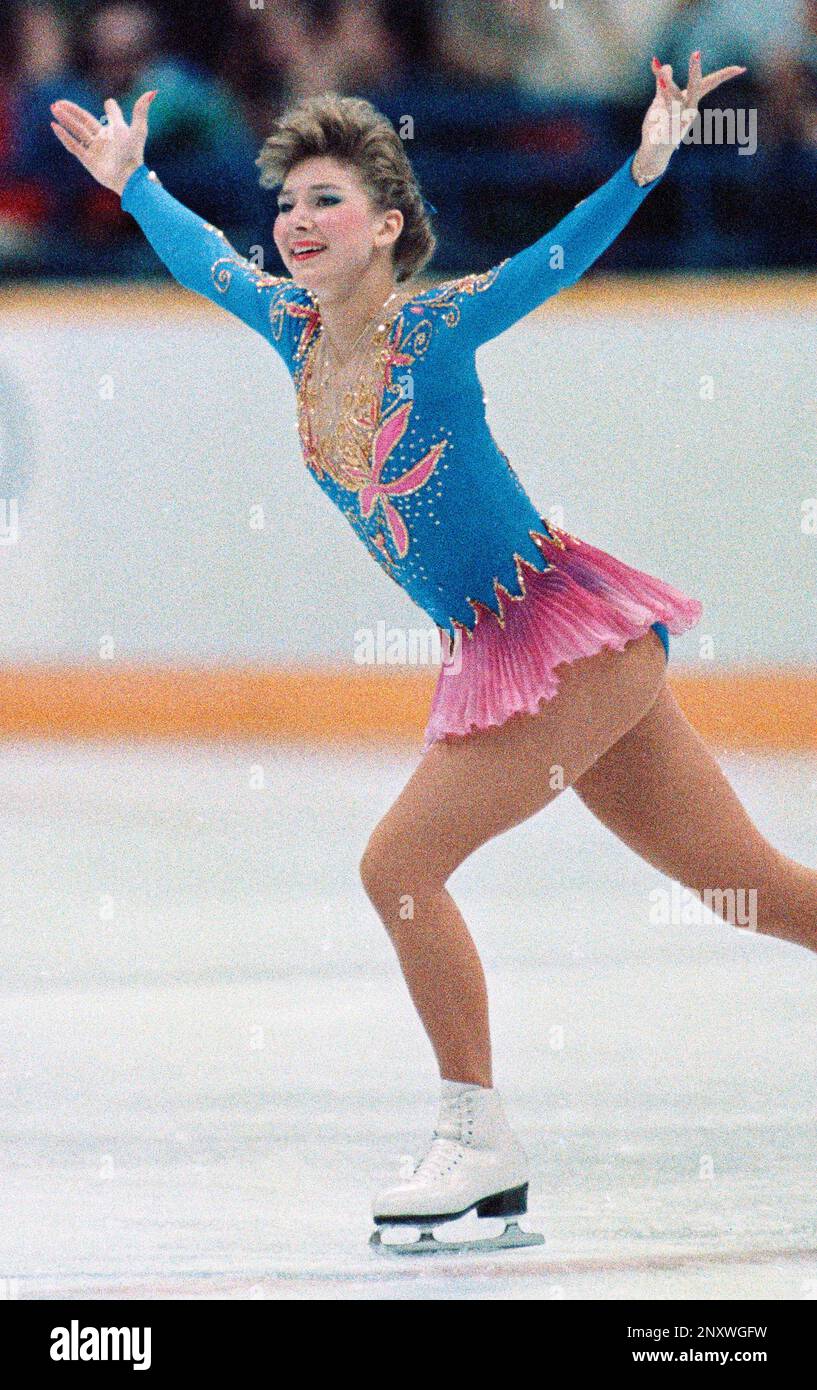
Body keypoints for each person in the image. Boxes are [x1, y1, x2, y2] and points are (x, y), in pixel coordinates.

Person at [49, 58, 817, 1254]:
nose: (296, 224)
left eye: (326, 204)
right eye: (289, 203)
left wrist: (648, 160)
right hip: (512, 652)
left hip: (568, 635)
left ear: (390, 226)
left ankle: (476, 1133)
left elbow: (551, 261)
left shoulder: (437, 327)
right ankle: (482, 1144)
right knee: (757, 892)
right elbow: (205, 258)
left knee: (398, 861)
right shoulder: (290, 329)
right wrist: (135, 182)